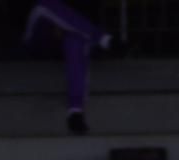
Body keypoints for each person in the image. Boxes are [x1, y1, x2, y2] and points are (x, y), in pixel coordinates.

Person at [20, 0, 112, 134]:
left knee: (75, 41)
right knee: (45, 5)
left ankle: (75, 111)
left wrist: (66, 26)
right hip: (40, 34)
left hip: (73, 33)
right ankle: (103, 39)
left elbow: (89, 15)